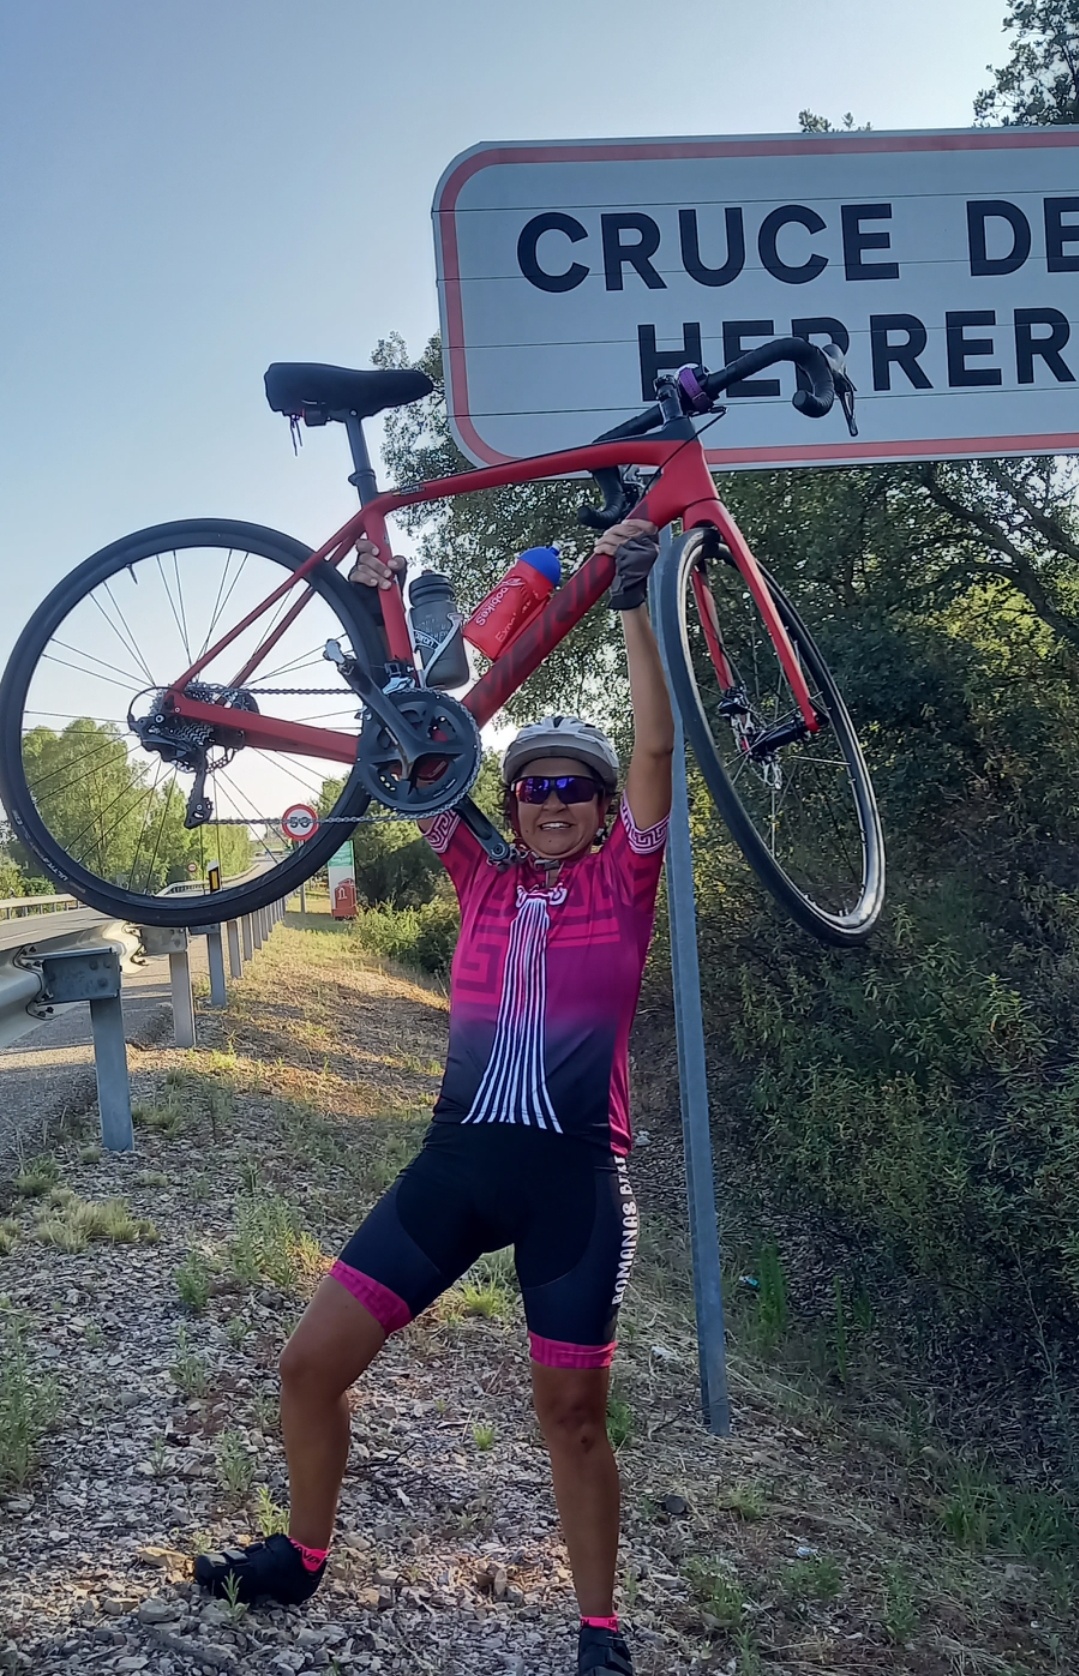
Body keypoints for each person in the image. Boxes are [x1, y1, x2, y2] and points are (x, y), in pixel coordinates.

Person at [196, 521, 674, 1676]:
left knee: (570, 1417)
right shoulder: (477, 872)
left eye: (574, 786)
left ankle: (599, 1632)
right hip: (454, 1167)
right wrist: (383, 608)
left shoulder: (627, 876)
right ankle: (300, 1559)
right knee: (307, 1364)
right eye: (533, 787)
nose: (551, 800)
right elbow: (405, 746)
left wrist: (629, 601)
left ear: (605, 807)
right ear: (508, 807)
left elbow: (658, 748)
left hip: (572, 1183)